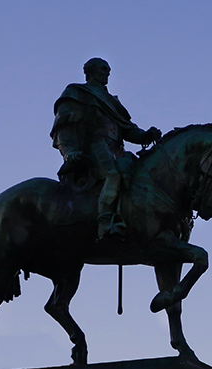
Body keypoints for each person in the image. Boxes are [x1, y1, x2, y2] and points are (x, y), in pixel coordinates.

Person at [50, 57, 161, 240]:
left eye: (108, 70)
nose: (107, 73)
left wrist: (146, 135)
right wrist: (69, 152)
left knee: (141, 177)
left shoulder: (112, 101)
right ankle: (105, 222)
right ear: (90, 71)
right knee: (113, 174)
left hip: (117, 149)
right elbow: (64, 127)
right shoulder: (77, 92)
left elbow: (128, 129)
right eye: (103, 69)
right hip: (97, 146)